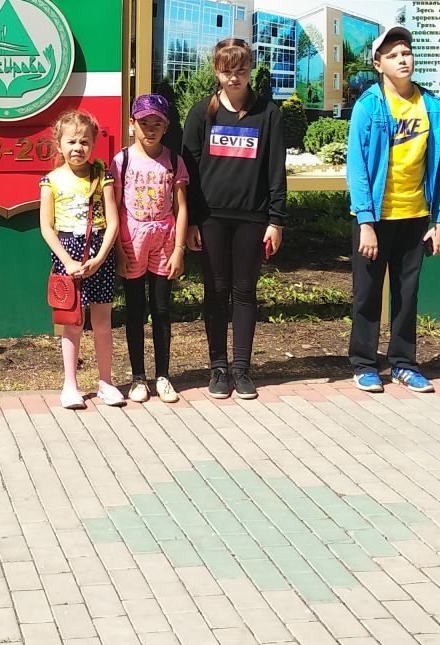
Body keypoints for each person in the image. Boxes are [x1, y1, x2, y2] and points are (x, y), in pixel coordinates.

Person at [345, 24, 440, 394]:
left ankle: (404, 364)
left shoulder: (432, 106)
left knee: (407, 295)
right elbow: (358, 167)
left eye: (406, 52)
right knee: (367, 294)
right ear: (378, 64)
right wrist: (365, 222)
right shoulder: (369, 106)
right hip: (375, 218)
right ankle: (364, 364)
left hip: (415, 216)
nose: (402, 59)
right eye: (392, 55)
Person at [181, 38, 288, 401]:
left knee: (244, 293)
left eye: (241, 69)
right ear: (217, 71)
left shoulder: (268, 113)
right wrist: (191, 221)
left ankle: (241, 369)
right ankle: (218, 368)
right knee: (215, 292)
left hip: (253, 219)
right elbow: (189, 173)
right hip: (211, 219)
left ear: (250, 69)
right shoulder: (201, 113)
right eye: (227, 70)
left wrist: (276, 220)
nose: (234, 77)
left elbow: (276, 170)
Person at [40, 109, 124, 410]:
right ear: (59, 144)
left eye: (85, 142)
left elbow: (113, 222)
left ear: (93, 144)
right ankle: (70, 385)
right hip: (68, 255)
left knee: (102, 323)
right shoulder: (50, 181)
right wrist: (67, 261)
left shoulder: (103, 178)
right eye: (72, 141)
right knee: (72, 323)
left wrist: (100, 258)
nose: (78, 147)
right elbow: (46, 227)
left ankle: (106, 382)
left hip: (99, 253)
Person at [113, 94, 189, 404]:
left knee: (161, 309)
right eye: (144, 123)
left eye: (158, 123)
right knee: (135, 309)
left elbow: (182, 207)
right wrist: (118, 250)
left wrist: (179, 249)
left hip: (164, 240)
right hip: (132, 240)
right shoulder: (122, 161)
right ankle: (137, 377)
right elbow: (115, 207)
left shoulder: (174, 161)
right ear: (132, 124)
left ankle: (163, 376)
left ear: (167, 126)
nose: (151, 130)